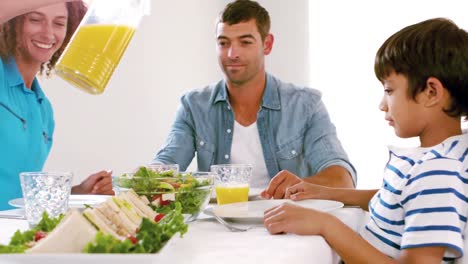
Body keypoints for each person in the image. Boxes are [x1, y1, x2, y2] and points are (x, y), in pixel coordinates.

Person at [263, 18, 468, 263]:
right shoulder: (442, 156)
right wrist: (322, 192)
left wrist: (326, 225)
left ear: (431, 92)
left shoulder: (438, 170)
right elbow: (394, 201)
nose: (382, 104)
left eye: (389, 90)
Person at [152, 0, 356, 198]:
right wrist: (138, 179)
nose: (232, 54)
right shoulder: (194, 105)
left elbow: (342, 180)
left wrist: (301, 185)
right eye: (224, 43)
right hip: (218, 222)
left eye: (245, 42)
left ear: (267, 45)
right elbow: (166, 164)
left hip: (287, 223)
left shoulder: (305, 105)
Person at [0, 0, 114, 211]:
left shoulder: (43, 109)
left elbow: (23, 197)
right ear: (11, 23)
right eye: (35, 19)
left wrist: (80, 191)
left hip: (11, 236)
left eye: (59, 23)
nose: (48, 33)